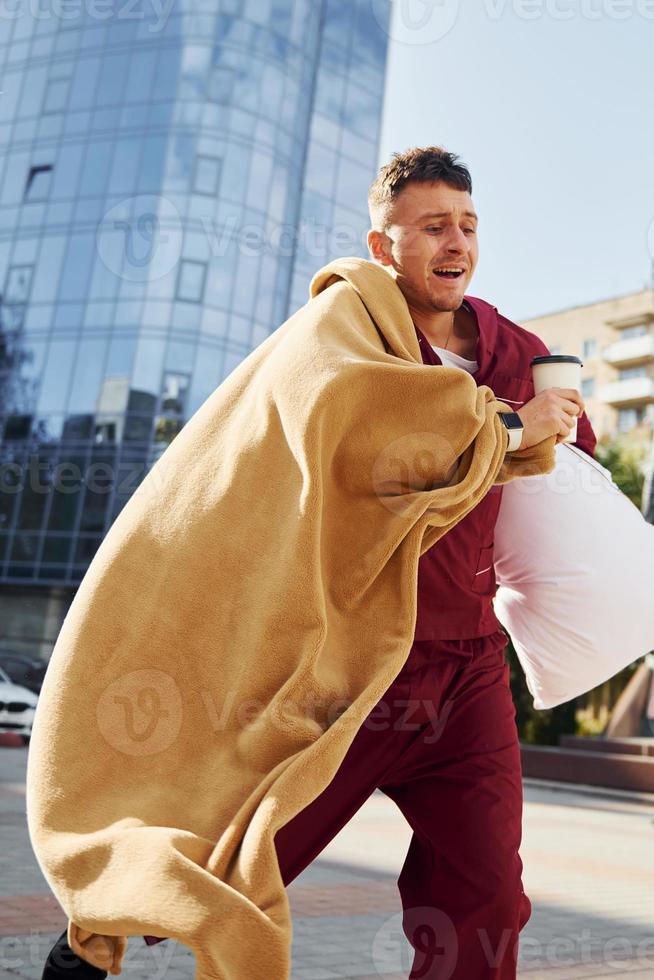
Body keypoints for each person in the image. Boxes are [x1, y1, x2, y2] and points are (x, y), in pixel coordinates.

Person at [41, 147, 592, 980]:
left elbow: (567, 464)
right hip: (357, 660)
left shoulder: (518, 346)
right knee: (248, 847)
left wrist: (565, 423)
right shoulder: (341, 331)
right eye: (433, 226)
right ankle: (92, 947)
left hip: (469, 667)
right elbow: (361, 426)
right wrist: (514, 424)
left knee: (486, 889)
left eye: (469, 226)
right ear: (384, 246)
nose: (457, 243)